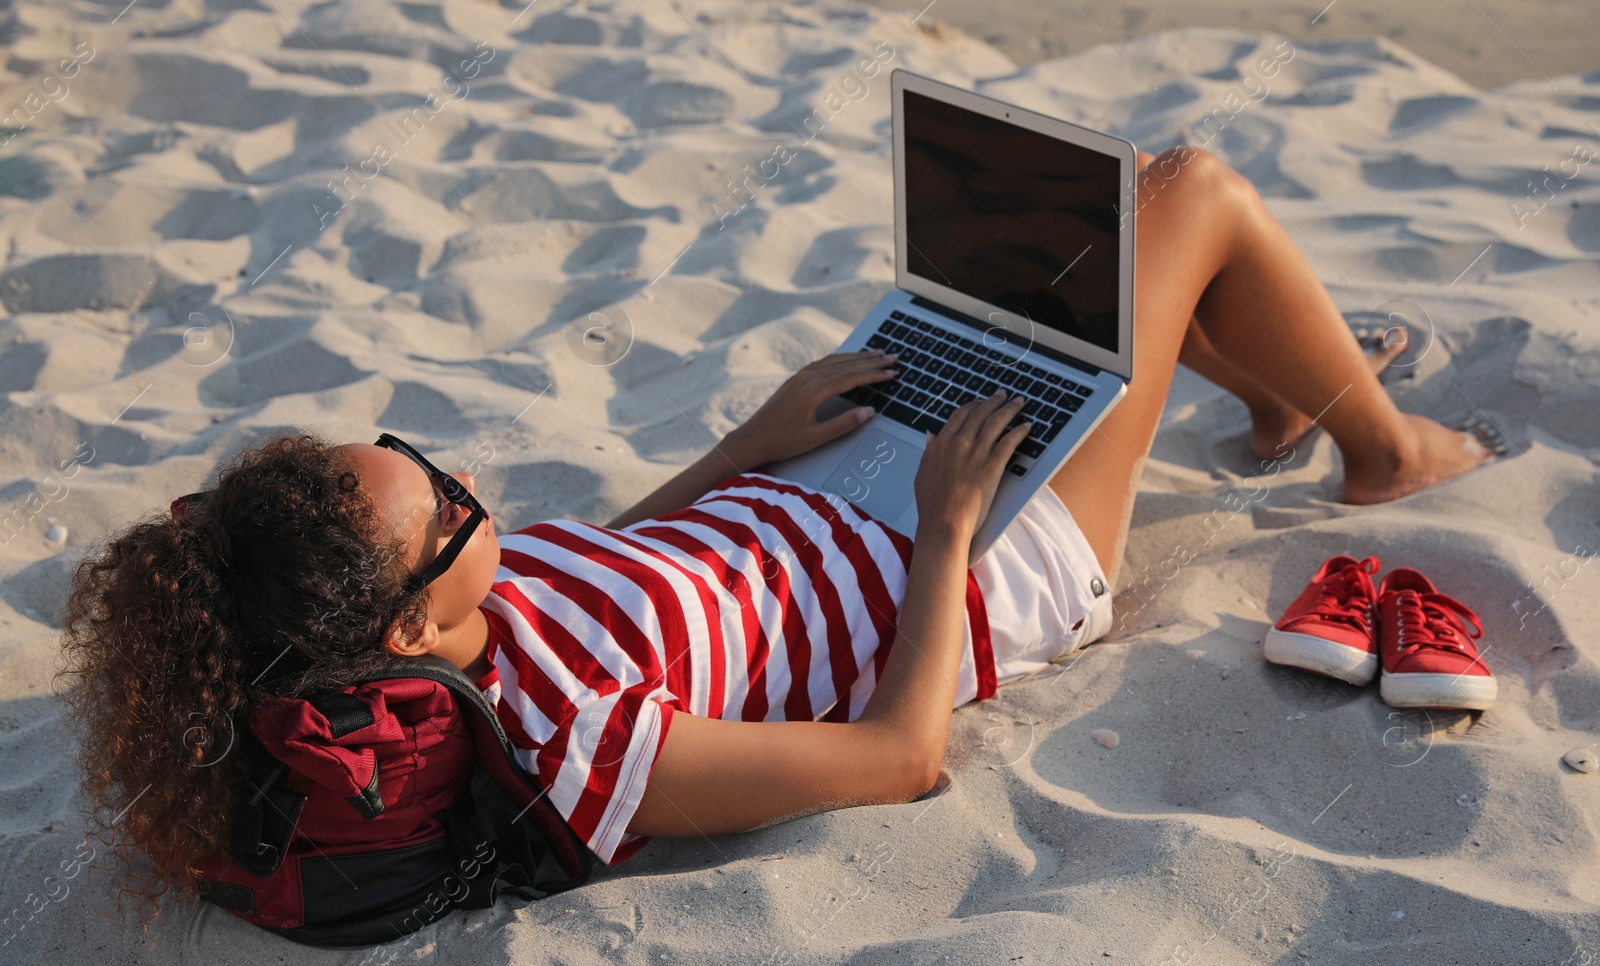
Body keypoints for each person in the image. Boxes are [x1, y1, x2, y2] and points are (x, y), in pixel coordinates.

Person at [61, 147, 1487, 910]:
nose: (468, 487)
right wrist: (941, 531)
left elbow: (610, 561)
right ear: (404, 630)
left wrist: (752, 439)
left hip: (823, 493)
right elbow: (897, 757)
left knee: (1083, 282)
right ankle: (1386, 450)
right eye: (445, 507)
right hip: (977, 576)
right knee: (1188, 195)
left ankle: (1281, 397)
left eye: (410, 456)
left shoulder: (463, 612)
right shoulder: (571, 745)